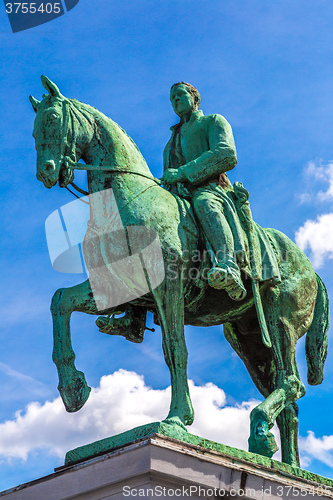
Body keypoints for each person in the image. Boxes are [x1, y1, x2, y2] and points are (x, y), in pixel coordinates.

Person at [161, 82, 247, 301]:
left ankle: (229, 266)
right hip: (180, 196)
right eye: (172, 98)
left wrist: (183, 172)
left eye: (179, 95)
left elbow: (226, 154)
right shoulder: (171, 142)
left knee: (204, 203)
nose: (175, 100)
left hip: (212, 190)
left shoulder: (213, 121)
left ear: (195, 99)